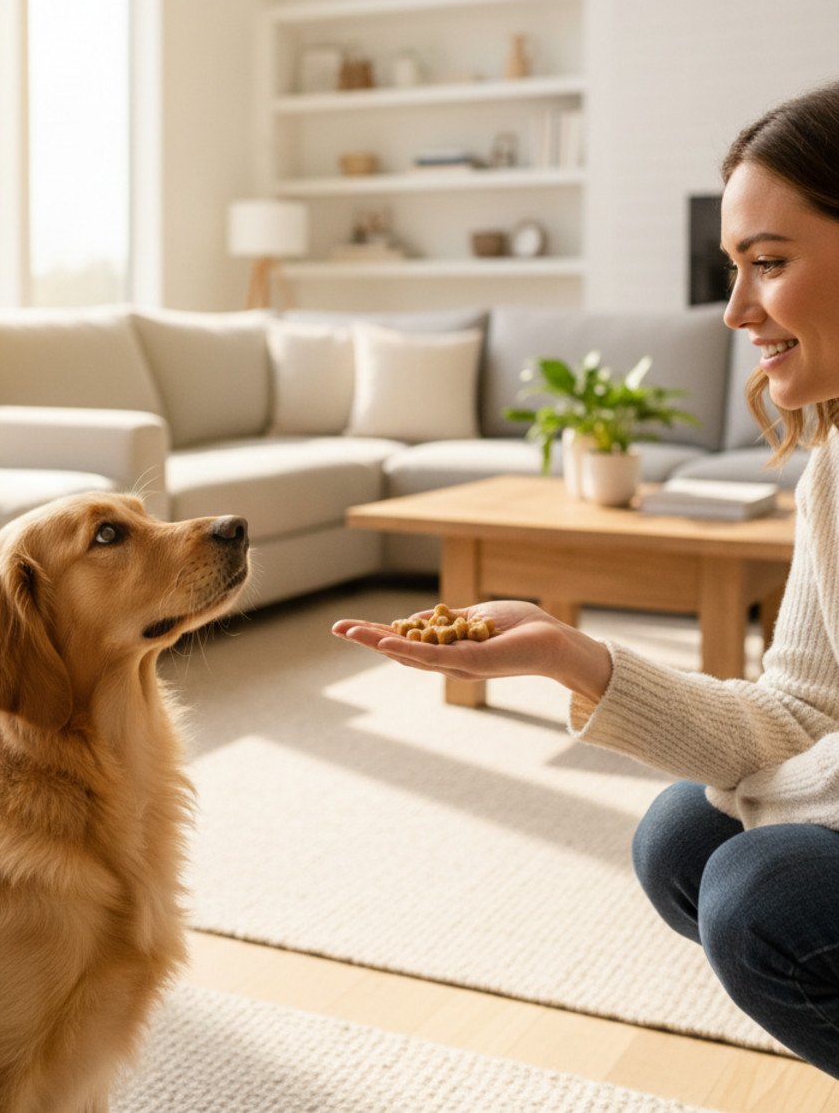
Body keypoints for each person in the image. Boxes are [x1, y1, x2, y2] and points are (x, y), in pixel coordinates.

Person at [333, 80, 839, 1077]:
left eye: (768, 265)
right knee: (685, 836)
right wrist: (574, 657)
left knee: (757, 884)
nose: (734, 310)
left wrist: (764, 800)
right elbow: (804, 710)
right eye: (731, 268)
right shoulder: (834, 461)